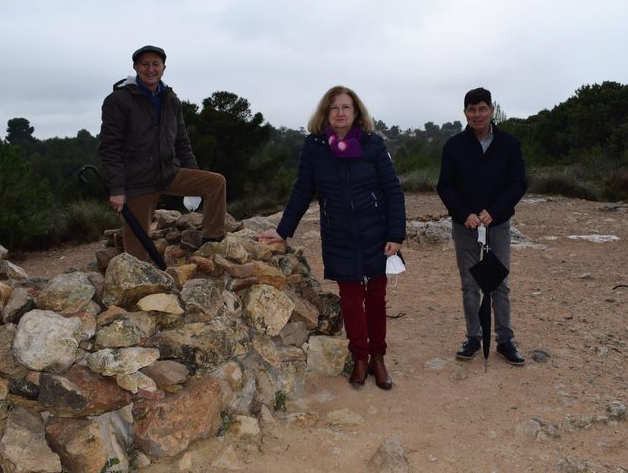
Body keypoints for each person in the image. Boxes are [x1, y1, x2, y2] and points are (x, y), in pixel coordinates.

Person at [258, 86, 406, 390]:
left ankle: (378, 358)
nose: (340, 112)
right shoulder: (314, 147)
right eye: (334, 108)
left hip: (376, 233)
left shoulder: (373, 144)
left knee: (375, 298)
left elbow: (393, 191)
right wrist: (283, 230)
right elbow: (302, 190)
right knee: (351, 301)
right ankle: (360, 358)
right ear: (325, 114)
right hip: (338, 235)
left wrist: (396, 234)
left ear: (356, 113)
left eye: (346, 107)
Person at [99, 45, 227, 261]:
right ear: (136, 67)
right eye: (145, 64)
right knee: (137, 253)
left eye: (155, 64)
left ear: (163, 68)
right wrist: (117, 188)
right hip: (137, 181)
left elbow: (182, 142)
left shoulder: (171, 99)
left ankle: (212, 242)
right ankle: (137, 285)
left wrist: (194, 177)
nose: (151, 69)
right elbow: (110, 147)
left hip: (169, 172)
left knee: (216, 183)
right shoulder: (118, 100)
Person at [437, 87, 528, 365]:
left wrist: (495, 211)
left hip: (497, 224)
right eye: (471, 109)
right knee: (469, 284)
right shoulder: (454, 146)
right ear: (465, 112)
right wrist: (464, 213)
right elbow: (445, 186)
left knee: (499, 282)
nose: (477, 114)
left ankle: (505, 339)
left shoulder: (509, 144)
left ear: (491, 110)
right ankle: (473, 337)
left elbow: (518, 183)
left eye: (482, 108)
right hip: (465, 225)